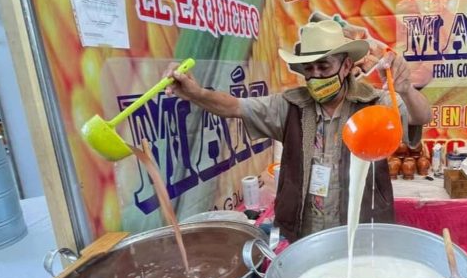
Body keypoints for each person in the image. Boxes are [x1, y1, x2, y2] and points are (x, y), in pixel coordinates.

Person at [164, 20, 431, 242]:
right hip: (306, 229)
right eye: (309, 69)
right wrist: (195, 93)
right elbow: (234, 106)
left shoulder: (373, 103)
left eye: (324, 67)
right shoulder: (289, 106)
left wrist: (406, 89)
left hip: (359, 225)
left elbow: (420, 116)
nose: (316, 76)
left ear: (347, 66)